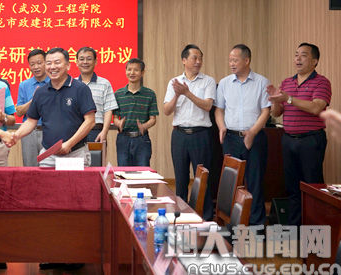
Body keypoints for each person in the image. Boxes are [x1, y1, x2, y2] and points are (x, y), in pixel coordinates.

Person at [267, 42, 331, 226]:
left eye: (303, 55)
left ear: (315, 61)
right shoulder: (287, 82)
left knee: (313, 188)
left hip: (310, 140)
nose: (298, 59)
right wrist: (275, 100)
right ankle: (294, 230)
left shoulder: (322, 82)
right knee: (292, 188)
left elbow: (317, 107)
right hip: (288, 140)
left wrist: (289, 98)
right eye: (296, 55)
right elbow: (277, 113)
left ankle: (315, 232)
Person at [12, 47, 96, 168]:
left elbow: (90, 121)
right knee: (45, 181)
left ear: (68, 65)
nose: (52, 67)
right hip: (49, 154)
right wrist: (16, 135)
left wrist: (69, 144)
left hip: (75, 153)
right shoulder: (40, 92)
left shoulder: (80, 89)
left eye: (57, 62)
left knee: (75, 182)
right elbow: (31, 121)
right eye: (48, 63)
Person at [214, 44, 270, 226]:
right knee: (230, 183)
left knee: (254, 182)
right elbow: (219, 109)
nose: (231, 63)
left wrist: (252, 132)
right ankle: (231, 224)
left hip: (255, 138)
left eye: (235, 60)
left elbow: (266, 111)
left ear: (246, 60)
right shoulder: (224, 83)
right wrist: (221, 126)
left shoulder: (262, 82)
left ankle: (256, 226)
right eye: (230, 60)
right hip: (230, 138)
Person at [163, 44, 215, 220]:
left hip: (201, 135)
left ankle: (205, 218)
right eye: (194, 58)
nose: (198, 61)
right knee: (181, 178)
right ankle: (181, 216)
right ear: (184, 60)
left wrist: (187, 92)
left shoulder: (208, 81)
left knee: (203, 178)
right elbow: (167, 110)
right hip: (179, 135)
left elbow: (208, 106)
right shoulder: (174, 82)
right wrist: (178, 94)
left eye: (200, 58)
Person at [113, 58, 158, 167]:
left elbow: (153, 119)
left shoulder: (150, 94)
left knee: (143, 172)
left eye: (136, 70)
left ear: (142, 73)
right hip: (123, 138)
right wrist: (118, 123)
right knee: (123, 172)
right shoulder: (118, 94)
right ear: (125, 71)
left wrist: (144, 126)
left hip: (141, 139)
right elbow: (115, 118)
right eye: (129, 69)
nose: (132, 73)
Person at [75, 47, 118, 143]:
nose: (85, 62)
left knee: (96, 154)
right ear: (77, 62)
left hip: (96, 132)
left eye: (89, 59)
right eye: (81, 59)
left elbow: (108, 110)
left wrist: (104, 132)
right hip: (75, 132)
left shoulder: (104, 83)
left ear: (95, 62)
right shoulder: (72, 84)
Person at [15, 49, 50, 167]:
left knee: (49, 167)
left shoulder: (54, 83)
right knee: (29, 168)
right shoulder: (24, 85)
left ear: (46, 63)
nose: (36, 67)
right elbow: (19, 112)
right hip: (29, 133)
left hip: (49, 131)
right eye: (32, 64)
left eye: (39, 63)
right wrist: (33, 100)